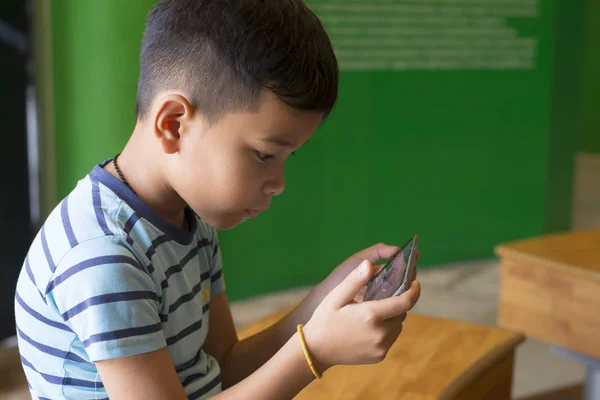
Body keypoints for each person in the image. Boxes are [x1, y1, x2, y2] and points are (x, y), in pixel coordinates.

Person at [14, 0, 421, 398]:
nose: (278, 183)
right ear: (173, 124)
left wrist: (318, 309)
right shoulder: (102, 257)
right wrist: (312, 352)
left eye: (285, 158)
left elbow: (223, 365)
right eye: (265, 155)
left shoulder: (189, 218)